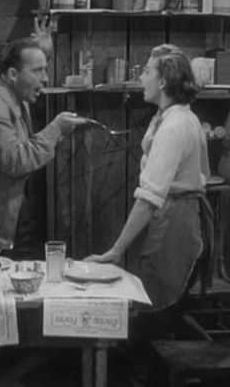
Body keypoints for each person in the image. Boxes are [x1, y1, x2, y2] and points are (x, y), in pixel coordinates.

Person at [85, 44, 212, 312]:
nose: (141, 78)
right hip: (178, 215)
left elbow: (148, 199)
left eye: (146, 71)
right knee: (155, 297)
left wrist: (115, 251)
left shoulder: (175, 126)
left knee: (154, 302)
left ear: (163, 81)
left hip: (177, 221)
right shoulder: (175, 117)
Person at [0, 32, 87, 260]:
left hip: (5, 218)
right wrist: (55, 130)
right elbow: (15, 161)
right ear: (13, 74)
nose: (45, 79)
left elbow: (26, 64)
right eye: (38, 71)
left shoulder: (11, 90)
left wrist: (43, 50)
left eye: (45, 69)